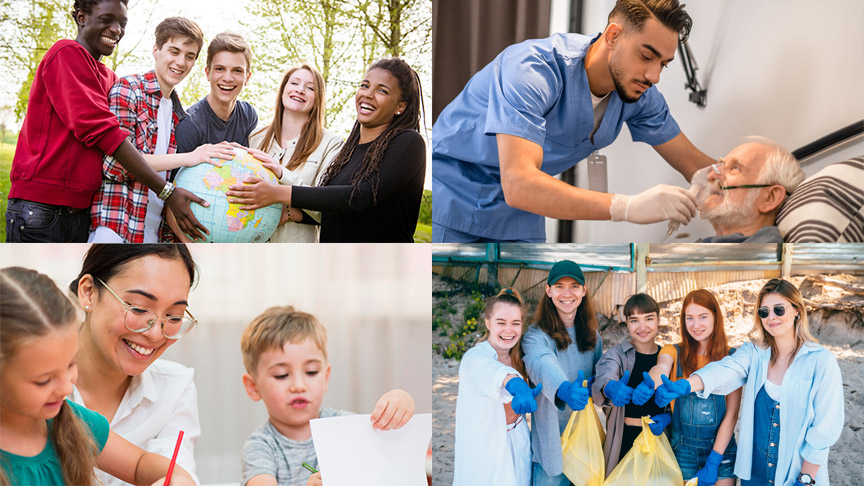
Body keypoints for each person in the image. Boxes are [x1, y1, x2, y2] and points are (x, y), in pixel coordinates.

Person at [432, 0, 715, 243]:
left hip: (522, 214)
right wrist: (626, 207)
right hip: (457, 197)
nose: (654, 76)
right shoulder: (531, 70)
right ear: (613, 35)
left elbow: (697, 167)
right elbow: (518, 183)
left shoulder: (640, 94)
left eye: (663, 63)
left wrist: (744, 179)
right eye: (646, 56)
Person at [4, 0, 208, 243]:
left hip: (80, 212)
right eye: (106, 20)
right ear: (81, 17)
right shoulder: (66, 53)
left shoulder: (109, 78)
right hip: (41, 205)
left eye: (122, 24)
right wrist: (167, 191)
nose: (116, 30)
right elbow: (105, 134)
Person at [0, 266, 195, 486]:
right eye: (43, 380)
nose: (66, 388)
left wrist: (179, 478)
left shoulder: (71, 421)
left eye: (71, 364)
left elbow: (140, 464)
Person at [654, 279, 844, 486]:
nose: (771, 317)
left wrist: (805, 479)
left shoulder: (821, 361)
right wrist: (688, 384)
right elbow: (726, 369)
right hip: (754, 474)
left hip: (796, 473)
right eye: (764, 312)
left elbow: (825, 427)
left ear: (797, 310)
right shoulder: (754, 353)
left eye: (778, 310)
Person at [226, 57, 426, 243]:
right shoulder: (349, 150)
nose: (368, 94)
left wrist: (278, 192)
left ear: (401, 106)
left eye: (382, 91)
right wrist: (298, 215)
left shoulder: (409, 142)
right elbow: (333, 205)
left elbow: (359, 197)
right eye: (364, 86)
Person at [89, 17, 235, 244]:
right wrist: (191, 157)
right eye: (174, 51)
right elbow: (116, 165)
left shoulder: (180, 115)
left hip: (154, 236)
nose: (180, 62)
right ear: (156, 49)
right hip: (117, 228)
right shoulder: (128, 90)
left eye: (190, 56)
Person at [69, 244, 202, 486]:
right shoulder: (36, 388)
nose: (154, 334)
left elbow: (173, 471)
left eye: (174, 317)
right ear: (88, 292)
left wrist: (181, 480)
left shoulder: (176, 387)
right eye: (139, 308)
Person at [239, 305, 416, 486]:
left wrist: (400, 401)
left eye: (311, 372)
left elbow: (388, 447)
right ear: (253, 387)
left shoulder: (343, 426)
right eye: (281, 375)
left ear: (326, 377)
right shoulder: (260, 448)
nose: (299, 386)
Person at [633, 289, 739, 486]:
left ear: (715, 316)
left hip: (722, 451)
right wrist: (650, 384)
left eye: (703, 317)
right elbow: (662, 367)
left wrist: (714, 461)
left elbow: (732, 415)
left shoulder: (732, 359)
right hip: (683, 452)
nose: (696, 325)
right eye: (689, 318)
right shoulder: (672, 351)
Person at [521, 260, 603, 485]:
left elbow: (600, 378)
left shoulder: (593, 336)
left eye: (574, 286)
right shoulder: (535, 335)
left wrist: (607, 386)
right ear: (548, 290)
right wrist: (564, 388)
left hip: (584, 445)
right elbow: (541, 362)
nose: (567, 293)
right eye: (559, 286)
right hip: (551, 448)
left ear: (584, 290)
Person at [248, 65, 344, 242]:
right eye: (294, 83)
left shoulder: (332, 144)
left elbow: (329, 209)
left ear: (318, 99)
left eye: (310, 88)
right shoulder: (255, 138)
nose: (300, 90)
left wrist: (283, 174)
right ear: (283, 90)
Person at [453, 288, 539, 486]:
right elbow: (493, 373)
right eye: (501, 323)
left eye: (515, 324)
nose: (508, 330)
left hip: (518, 439)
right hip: (487, 446)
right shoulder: (474, 358)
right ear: (488, 323)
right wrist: (517, 384)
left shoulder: (521, 358)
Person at [591, 293, 670, 475]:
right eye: (634, 320)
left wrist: (668, 418)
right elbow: (604, 376)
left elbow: (677, 400)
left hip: (659, 441)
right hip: (624, 441)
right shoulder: (617, 354)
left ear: (658, 319)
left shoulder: (667, 357)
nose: (642, 327)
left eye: (649, 319)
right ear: (626, 322)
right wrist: (610, 388)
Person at [697, 137, 805, 243]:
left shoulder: (764, 252)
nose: (711, 175)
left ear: (770, 198)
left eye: (735, 168)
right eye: (720, 165)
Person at [174, 31, 258, 154]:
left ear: (247, 77)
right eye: (220, 69)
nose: (228, 78)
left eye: (237, 71)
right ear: (208, 73)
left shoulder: (248, 116)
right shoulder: (190, 125)